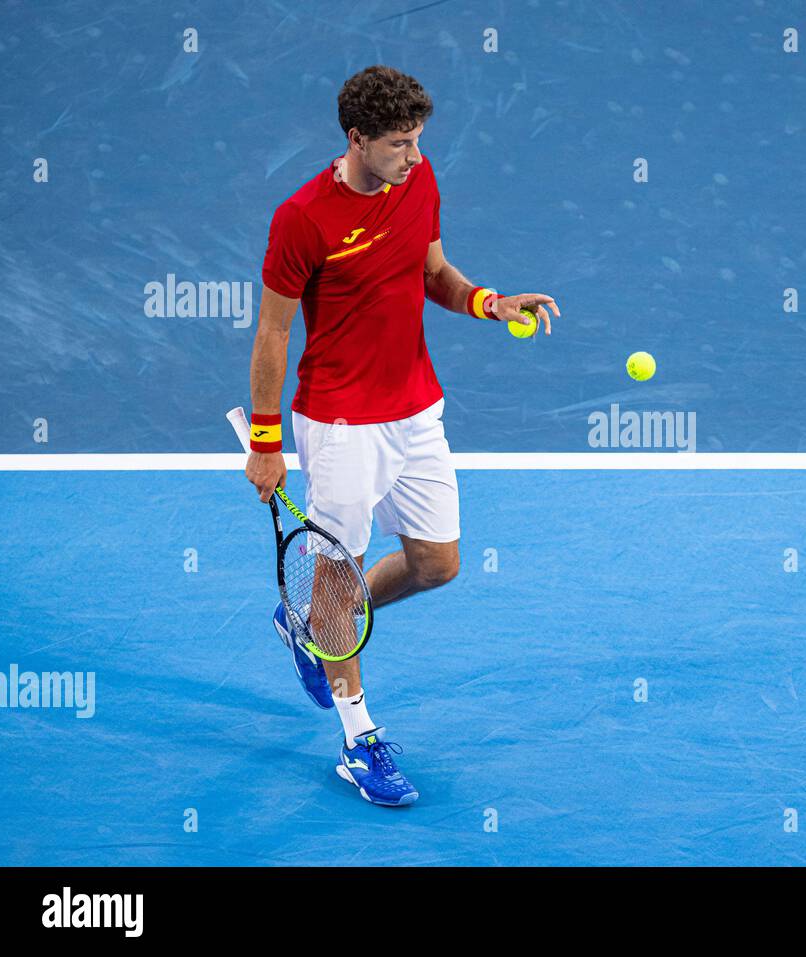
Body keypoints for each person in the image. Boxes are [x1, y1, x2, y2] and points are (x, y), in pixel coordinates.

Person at [244, 64, 559, 806]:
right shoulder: (302, 218)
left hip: (416, 408)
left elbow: (433, 272)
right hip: (340, 420)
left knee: (436, 563)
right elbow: (271, 332)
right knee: (336, 571)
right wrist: (265, 441)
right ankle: (359, 740)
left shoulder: (417, 182)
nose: (414, 156)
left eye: (418, 140)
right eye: (397, 144)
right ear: (356, 139)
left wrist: (489, 303)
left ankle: (313, 628)